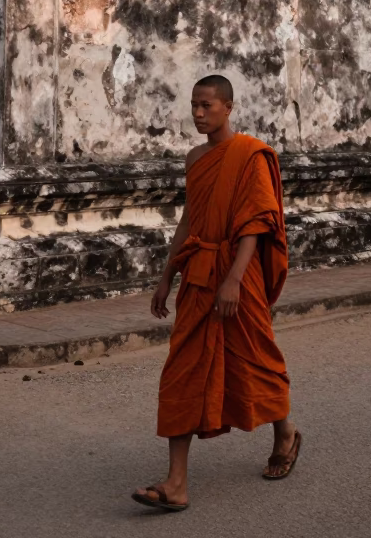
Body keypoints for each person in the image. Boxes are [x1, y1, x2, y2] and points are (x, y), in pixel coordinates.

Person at [132, 74, 301, 512]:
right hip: (199, 272)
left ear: (228, 106)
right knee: (181, 370)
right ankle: (176, 483)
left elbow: (257, 223)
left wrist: (233, 280)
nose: (199, 114)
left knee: (254, 358)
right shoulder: (195, 159)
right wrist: (167, 274)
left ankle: (284, 432)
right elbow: (189, 220)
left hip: (236, 276)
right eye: (194, 106)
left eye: (207, 105)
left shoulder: (251, 155)